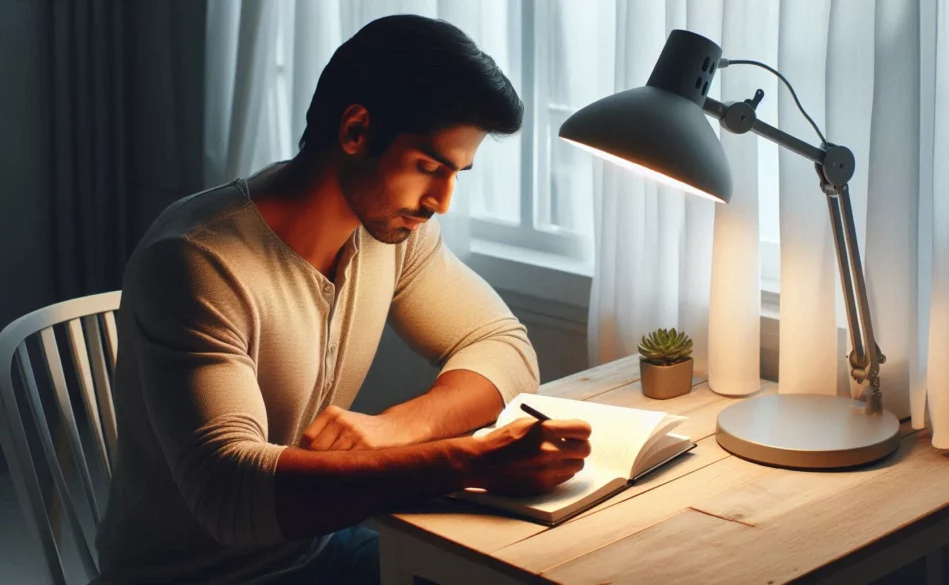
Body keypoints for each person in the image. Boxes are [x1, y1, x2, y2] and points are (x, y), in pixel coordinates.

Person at [93, 14, 591, 585]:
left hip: (317, 548)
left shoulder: (392, 233)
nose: (442, 201)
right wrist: (468, 462)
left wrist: (396, 427)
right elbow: (232, 495)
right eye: (429, 167)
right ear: (355, 131)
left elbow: (503, 347)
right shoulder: (197, 263)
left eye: (457, 174)